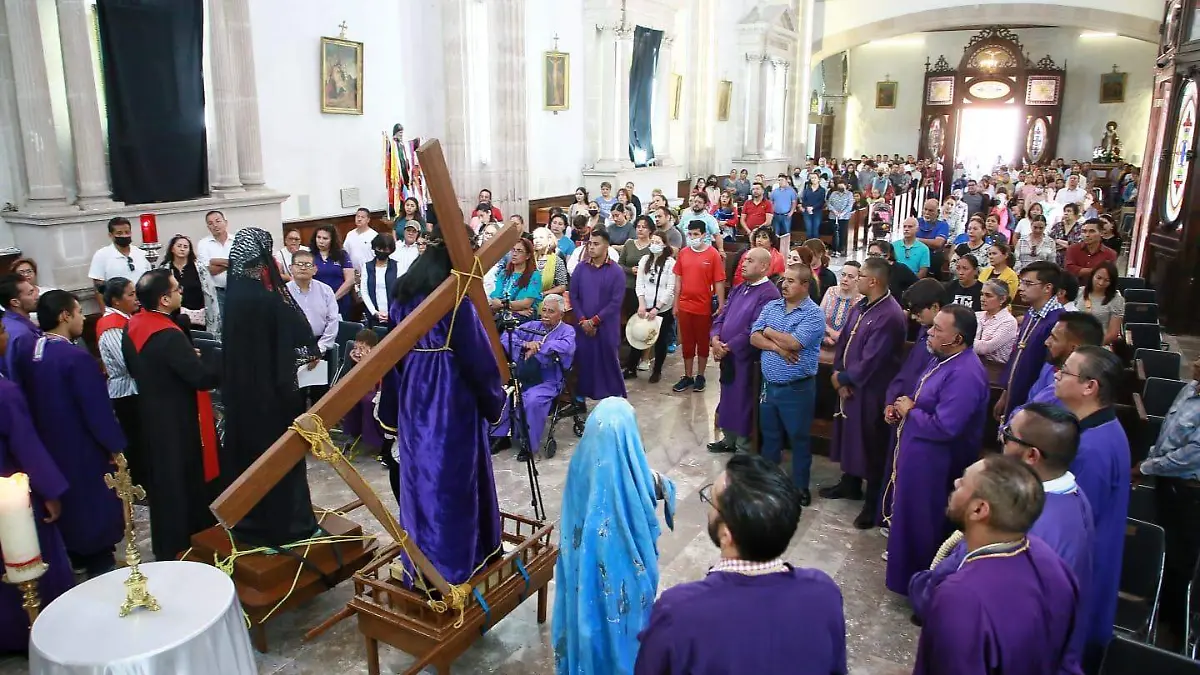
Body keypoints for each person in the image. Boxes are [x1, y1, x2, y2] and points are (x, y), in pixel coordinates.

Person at [376, 224, 506, 587]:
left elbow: (391, 356)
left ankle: (420, 562)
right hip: (450, 401)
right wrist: (495, 401)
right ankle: (454, 564)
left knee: (420, 479)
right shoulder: (455, 297)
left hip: (413, 395)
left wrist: (393, 410)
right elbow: (478, 359)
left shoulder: (403, 293)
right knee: (453, 483)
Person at [635, 454, 846, 675]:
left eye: (711, 502)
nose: (708, 511)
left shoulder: (680, 612)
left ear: (727, 535)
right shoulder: (824, 594)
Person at [910, 455, 1081, 675]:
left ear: (979, 509)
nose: (956, 483)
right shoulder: (1054, 563)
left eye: (963, 482)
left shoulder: (960, 598)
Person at [554, 398, 675, 674]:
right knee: (623, 635)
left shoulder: (581, 468)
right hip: (625, 584)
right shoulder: (632, 472)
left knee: (588, 622)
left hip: (583, 572)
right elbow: (652, 485)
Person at [220, 228, 321, 550]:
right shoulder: (269, 298)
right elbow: (302, 335)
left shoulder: (233, 297)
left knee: (249, 458)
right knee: (279, 459)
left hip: (242, 398)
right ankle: (287, 525)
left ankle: (250, 522)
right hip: (272, 398)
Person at [14, 291, 124, 577]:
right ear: (65, 315)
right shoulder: (75, 358)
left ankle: (77, 557)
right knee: (92, 510)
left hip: (49, 447)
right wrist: (114, 445)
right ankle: (101, 565)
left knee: (71, 508)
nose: (82, 318)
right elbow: (96, 410)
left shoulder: (30, 352)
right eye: (78, 312)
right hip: (81, 448)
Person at [884, 305, 990, 594]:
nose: (929, 332)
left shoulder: (966, 373)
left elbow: (947, 427)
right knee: (908, 521)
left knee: (924, 527)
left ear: (957, 339)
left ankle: (923, 589)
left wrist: (911, 412)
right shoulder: (942, 358)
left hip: (936, 465)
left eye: (937, 329)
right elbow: (922, 396)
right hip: (918, 457)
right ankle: (904, 578)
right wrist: (899, 408)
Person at [122, 269, 222, 562]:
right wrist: (219, 362)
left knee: (163, 481)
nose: (181, 291)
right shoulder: (168, 335)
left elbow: (141, 367)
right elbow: (200, 378)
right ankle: (187, 543)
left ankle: (166, 543)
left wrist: (185, 358)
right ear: (164, 299)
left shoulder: (134, 325)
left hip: (151, 414)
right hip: (179, 418)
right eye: (177, 289)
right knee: (183, 481)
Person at [0, 318, 73, 651]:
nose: (6, 336)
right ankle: (38, 630)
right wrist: (50, 490)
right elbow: (25, 445)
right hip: (13, 491)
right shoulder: (5, 393)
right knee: (29, 558)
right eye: (1, 332)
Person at [1054, 345, 1130, 668]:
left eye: (1066, 371)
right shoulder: (1099, 430)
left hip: (1079, 577)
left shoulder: (1092, 449)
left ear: (1090, 386)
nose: (1057, 375)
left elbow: (1073, 529)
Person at [824, 257, 907, 529]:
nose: (855, 279)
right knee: (849, 436)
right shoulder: (861, 306)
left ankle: (873, 505)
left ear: (873, 281)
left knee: (870, 444)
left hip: (871, 390)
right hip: (849, 386)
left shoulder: (890, 315)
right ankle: (849, 483)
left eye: (859, 276)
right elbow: (844, 341)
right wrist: (838, 374)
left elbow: (874, 358)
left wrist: (844, 377)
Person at [748, 264, 826, 504]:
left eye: (791, 281)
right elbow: (754, 337)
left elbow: (794, 343)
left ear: (805, 285)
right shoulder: (772, 306)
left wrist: (769, 331)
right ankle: (768, 481)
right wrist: (777, 348)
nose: (784, 284)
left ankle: (800, 486)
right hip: (769, 385)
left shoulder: (813, 314)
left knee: (798, 438)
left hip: (796, 388)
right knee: (770, 435)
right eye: (784, 280)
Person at [1136, 356, 1200, 638]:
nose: (1195, 362)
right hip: (1166, 482)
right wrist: (1149, 462)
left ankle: (1169, 628)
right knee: (1159, 548)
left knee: (1178, 560)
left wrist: (1146, 467)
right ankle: (1152, 608)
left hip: (1189, 493)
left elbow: (1190, 456)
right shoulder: (1190, 389)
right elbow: (1167, 433)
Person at [878, 279, 944, 530]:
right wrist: (891, 401)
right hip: (903, 410)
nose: (914, 318)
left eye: (918, 311)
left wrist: (908, 406)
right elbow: (907, 372)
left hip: (920, 417)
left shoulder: (943, 346)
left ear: (935, 307)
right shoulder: (924, 333)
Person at [708, 249, 782, 455]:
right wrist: (715, 338)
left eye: (750, 260)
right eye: (744, 260)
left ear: (764, 267)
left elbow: (755, 327)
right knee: (727, 397)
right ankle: (729, 439)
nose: (743, 264)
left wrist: (729, 346)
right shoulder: (740, 288)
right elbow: (722, 316)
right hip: (727, 354)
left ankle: (743, 446)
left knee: (743, 401)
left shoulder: (769, 294)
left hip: (746, 358)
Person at [491, 294, 576, 462]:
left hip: (549, 381)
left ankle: (528, 445)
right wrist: (524, 344)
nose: (545, 315)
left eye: (551, 311)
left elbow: (565, 346)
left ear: (561, 314)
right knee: (503, 394)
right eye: (544, 310)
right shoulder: (533, 325)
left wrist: (539, 347)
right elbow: (507, 336)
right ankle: (501, 436)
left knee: (531, 400)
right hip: (525, 376)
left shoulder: (568, 331)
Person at [994, 261, 1064, 421]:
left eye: (1028, 283)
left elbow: (1049, 370)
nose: (1020, 288)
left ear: (1047, 288)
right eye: (1021, 282)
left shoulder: (1058, 321)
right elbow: (1017, 355)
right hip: (1015, 388)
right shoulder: (1031, 313)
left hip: (1035, 400)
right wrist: (1006, 392)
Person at [95, 277, 146, 488]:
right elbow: (126, 362)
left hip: (134, 388)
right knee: (136, 443)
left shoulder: (125, 319)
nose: (136, 298)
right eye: (131, 294)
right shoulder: (112, 325)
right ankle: (141, 485)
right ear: (116, 300)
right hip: (126, 392)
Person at [570, 229, 627, 405]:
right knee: (584, 360)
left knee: (608, 360)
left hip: (606, 326)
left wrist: (594, 321)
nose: (591, 247)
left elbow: (615, 302)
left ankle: (615, 400)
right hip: (583, 325)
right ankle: (580, 398)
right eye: (589, 244)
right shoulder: (580, 268)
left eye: (596, 244)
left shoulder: (616, 271)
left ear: (606, 246)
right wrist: (583, 320)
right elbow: (574, 296)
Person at [672, 220, 726, 393]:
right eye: (690, 234)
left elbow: (719, 281)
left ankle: (700, 375)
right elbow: (678, 280)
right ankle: (688, 375)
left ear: (704, 235)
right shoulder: (683, 253)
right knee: (687, 343)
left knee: (702, 342)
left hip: (703, 306)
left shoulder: (713, 255)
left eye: (696, 234)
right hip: (685, 305)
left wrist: (721, 304)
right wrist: (675, 303)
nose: (692, 237)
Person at [287, 249, 340, 404]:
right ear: (291, 268)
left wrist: (318, 350)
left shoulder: (326, 290)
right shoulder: (283, 292)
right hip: (293, 348)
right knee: (295, 399)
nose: (303, 268)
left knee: (320, 398)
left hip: (321, 346)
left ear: (315, 269)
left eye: (308, 264)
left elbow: (333, 321)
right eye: (299, 264)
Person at [632, 233, 676, 385]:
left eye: (658, 242)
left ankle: (657, 370)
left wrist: (657, 307)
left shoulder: (670, 263)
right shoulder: (645, 260)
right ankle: (631, 367)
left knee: (660, 340)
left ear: (664, 245)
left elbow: (670, 288)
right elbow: (640, 283)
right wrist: (641, 303)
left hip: (662, 308)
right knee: (638, 336)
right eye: (653, 242)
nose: (654, 245)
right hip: (644, 305)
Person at [160, 234, 221, 334]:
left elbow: (210, 292)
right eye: (179, 246)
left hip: (199, 316)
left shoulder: (199, 268)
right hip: (174, 316)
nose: (182, 249)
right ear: (172, 249)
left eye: (185, 247)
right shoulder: (164, 269)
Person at [88, 216, 152, 309]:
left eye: (127, 232)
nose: (124, 236)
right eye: (119, 233)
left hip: (143, 306)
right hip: (117, 308)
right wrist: (105, 312)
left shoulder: (142, 254)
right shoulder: (101, 255)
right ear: (111, 235)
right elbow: (98, 288)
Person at [489, 237, 543, 323]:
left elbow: (526, 303)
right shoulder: (504, 273)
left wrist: (503, 306)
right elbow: (495, 301)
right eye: (513, 250)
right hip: (504, 315)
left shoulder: (534, 275)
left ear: (528, 256)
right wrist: (516, 310)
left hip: (523, 320)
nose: (514, 254)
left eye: (519, 251)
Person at [309, 224, 356, 318]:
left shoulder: (342, 255)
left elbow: (350, 280)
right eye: (318, 237)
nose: (321, 241)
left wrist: (333, 298)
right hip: (317, 302)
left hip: (340, 301)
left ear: (332, 240)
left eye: (325, 238)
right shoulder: (310, 256)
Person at [0, 274, 39, 379]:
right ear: (15, 302)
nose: (37, 296)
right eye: (30, 293)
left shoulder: (6, 322)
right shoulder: (22, 334)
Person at [196, 211, 234, 315]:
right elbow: (208, 270)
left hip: (237, 290)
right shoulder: (203, 244)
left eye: (218, 221)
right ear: (208, 227)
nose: (215, 225)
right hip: (216, 292)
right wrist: (232, 262)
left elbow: (242, 265)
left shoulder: (236, 241)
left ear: (226, 222)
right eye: (210, 223)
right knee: (221, 322)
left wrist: (215, 261)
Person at [1080, 260, 1124, 347]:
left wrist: (1092, 346)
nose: (1101, 283)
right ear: (1093, 275)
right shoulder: (1080, 292)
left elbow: (1112, 333)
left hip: (1099, 344)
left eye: (1106, 280)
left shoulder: (1116, 300)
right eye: (1099, 278)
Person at [973, 280, 1018, 364]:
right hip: (972, 361)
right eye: (982, 294)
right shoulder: (976, 315)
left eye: (988, 295)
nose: (982, 299)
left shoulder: (1009, 321)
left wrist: (965, 341)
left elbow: (985, 348)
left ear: (1002, 299)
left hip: (994, 367)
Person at [820, 260, 862, 346]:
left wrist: (839, 337)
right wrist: (829, 334)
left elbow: (859, 330)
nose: (845, 279)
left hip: (847, 347)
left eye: (850, 276)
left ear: (858, 279)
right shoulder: (831, 291)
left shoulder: (861, 300)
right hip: (823, 342)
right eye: (843, 275)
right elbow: (818, 318)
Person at [362, 234, 399, 329]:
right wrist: (374, 312)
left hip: (393, 316)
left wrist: (391, 313)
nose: (382, 252)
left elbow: (400, 292)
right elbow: (364, 292)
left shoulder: (397, 266)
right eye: (379, 248)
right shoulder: (367, 266)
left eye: (385, 249)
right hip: (373, 317)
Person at [916, 198, 950, 281]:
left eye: (931, 210)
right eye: (925, 209)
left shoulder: (943, 225)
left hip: (932, 260)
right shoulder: (916, 222)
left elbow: (938, 243)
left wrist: (917, 240)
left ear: (938, 212)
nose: (927, 213)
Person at [343, 207, 378, 274]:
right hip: (354, 273)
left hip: (370, 272)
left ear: (368, 220)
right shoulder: (350, 234)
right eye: (357, 216)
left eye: (362, 217)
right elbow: (345, 253)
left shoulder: (374, 235)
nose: (359, 219)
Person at [771, 174, 799, 251]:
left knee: (786, 233)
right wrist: (772, 212)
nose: (780, 182)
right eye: (779, 180)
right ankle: (776, 248)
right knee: (776, 233)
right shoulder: (774, 191)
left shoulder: (791, 191)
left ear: (786, 181)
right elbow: (771, 202)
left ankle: (786, 249)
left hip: (786, 215)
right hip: (776, 215)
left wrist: (791, 212)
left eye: (782, 180)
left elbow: (794, 203)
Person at [827, 179, 854, 256]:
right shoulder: (833, 193)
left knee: (842, 233)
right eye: (839, 187)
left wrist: (842, 213)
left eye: (842, 186)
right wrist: (834, 211)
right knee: (834, 233)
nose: (840, 188)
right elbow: (829, 203)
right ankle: (834, 249)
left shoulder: (849, 194)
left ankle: (840, 249)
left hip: (844, 217)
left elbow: (849, 205)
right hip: (833, 216)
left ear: (845, 186)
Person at [800, 172, 826, 240]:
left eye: (815, 178)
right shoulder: (807, 190)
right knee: (808, 229)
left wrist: (813, 207)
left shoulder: (822, 190)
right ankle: (808, 244)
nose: (813, 179)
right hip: (807, 212)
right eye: (812, 178)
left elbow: (821, 201)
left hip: (817, 212)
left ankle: (815, 244)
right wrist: (807, 207)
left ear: (818, 179)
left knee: (815, 230)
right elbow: (804, 200)